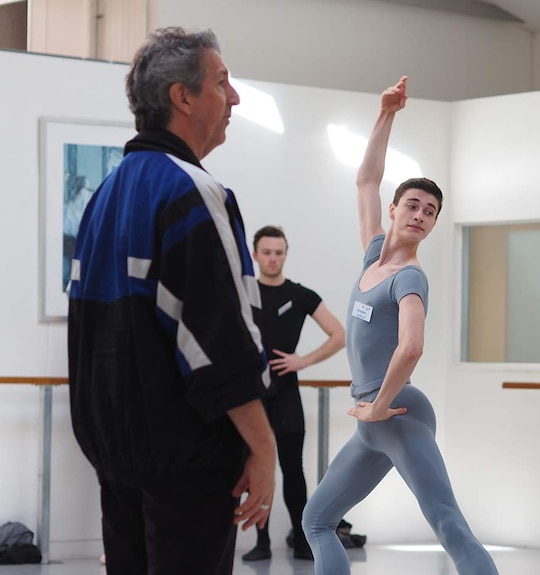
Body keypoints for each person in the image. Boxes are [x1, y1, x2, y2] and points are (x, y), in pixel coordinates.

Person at [67, 27, 276, 575]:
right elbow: (219, 338)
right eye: (223, 83)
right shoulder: (194, 192)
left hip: (118, 457)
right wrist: (263, 448)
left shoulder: (105, 195)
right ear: (182, 97)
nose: (234, 99)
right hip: (187, 462)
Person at [301, 76, 499, 575]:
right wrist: (386, 113)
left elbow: (411, 347)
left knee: (448, 523)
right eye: (412, 204)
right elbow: (367, 179)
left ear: (432, 227)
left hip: (400, 414)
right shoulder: (373, 257)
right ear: (393, 211)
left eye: (430, 212)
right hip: (373, 421)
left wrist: (381, 407)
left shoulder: (410, 279)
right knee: (318, 520)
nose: (420, 214)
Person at [242, 225, 346, 562]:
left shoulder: (301, 295)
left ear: (285, 254)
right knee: (257, 467)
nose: (273, 259)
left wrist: (304, 361)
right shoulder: (241, 293)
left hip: (286, 394)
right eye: (267, 252)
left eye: (279, 253)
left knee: (292, 469)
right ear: (255, 254)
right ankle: (261, 543)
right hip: (251, 395)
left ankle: (303, 542)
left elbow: (338, 334)